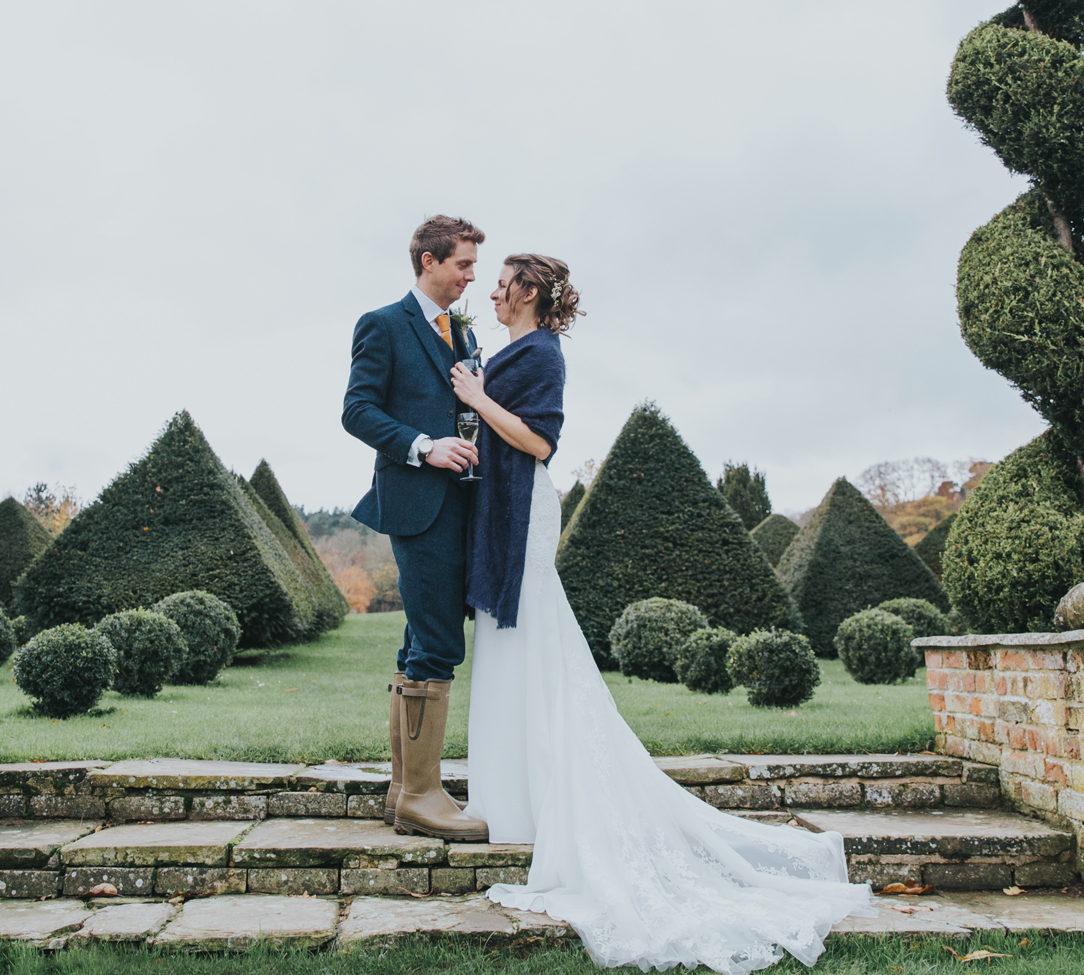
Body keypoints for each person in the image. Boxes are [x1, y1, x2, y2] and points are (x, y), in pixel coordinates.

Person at [450, 253, 873, 974]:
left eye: (501, 281)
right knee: (507, 645)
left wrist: (476, 396)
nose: (489, 288)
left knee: (532, 642)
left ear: (529, 292)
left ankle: (540, 793)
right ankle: (509, 794)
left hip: (525, 513)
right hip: (499, 509)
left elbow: (540, 440)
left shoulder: (544, 354)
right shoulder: (507, 348)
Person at [340, 214, 489, 841]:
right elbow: (356, 411)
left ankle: (405, 789)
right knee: (438, 641)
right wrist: (423, 445)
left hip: (461, 506)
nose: (471, 276)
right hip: (416, 502)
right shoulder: (383, 324)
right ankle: (422, 797)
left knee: (418, 640)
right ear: (428, 261)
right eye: (463, 264)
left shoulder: (465, 332)